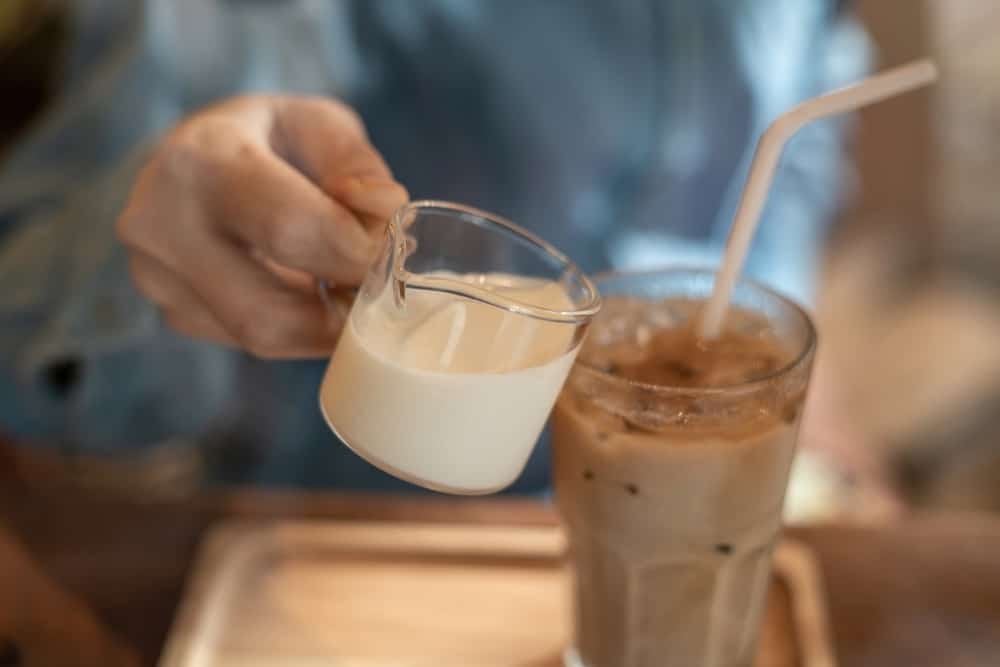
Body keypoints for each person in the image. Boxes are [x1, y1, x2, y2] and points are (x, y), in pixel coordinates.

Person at [0, 1, 869, 493]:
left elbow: (790, 157)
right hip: (370, 521)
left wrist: (809, 417)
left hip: (697, 492)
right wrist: (166, 225)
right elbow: (25, 337)